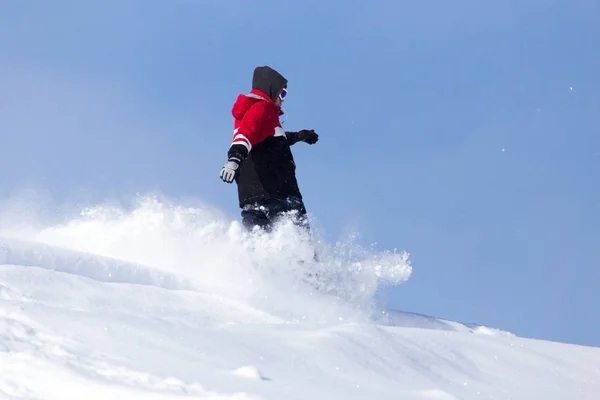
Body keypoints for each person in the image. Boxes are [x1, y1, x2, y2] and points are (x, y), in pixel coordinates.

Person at [219, 65, 319, 233]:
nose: (283, 99)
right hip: (277, 192)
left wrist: (300, 136)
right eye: (282, 93)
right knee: (298, 241)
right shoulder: (262, 108)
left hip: (252, 198)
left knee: (262, 243)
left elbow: (271, 141)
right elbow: (245, 135)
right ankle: (306, 260)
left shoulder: (253, 112)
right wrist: (234, 159)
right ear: (271, 89)